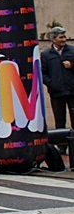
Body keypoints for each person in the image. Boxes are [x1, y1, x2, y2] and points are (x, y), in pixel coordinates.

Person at [41, 26, 74, 167]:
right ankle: (62, 147)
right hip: (57, 92)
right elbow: (43, 73)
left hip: (72, 91)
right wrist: (52, 84)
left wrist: (72, 65)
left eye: (64, 37)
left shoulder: (72, 51)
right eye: (61, 37)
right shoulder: (46, 55)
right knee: (59, 119)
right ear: (53, 39)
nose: (64, 40)